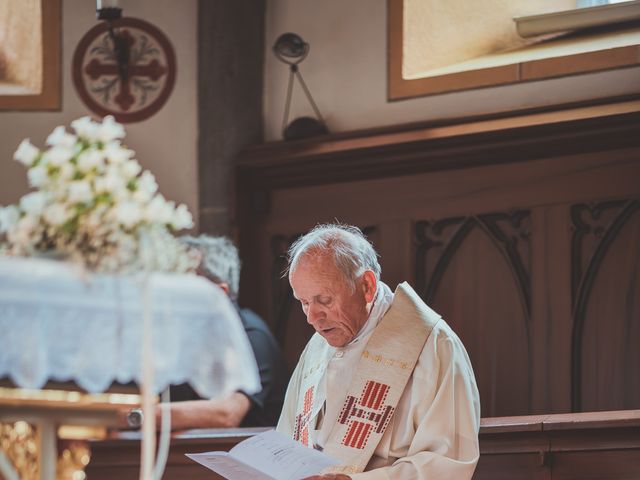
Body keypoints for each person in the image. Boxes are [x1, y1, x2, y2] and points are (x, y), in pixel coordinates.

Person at [276, 224, 480, 480]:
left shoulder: (433, 345)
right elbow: (287, 440)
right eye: (304, 303)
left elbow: (447, 464)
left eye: (324, 300)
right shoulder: (318, 345)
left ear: (367, 286)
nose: (311, 317)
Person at [157, 235, 288, 430]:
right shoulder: (178, 336)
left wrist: (140, 416)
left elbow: (226, 414)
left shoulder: (251, 336)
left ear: (219, 293)